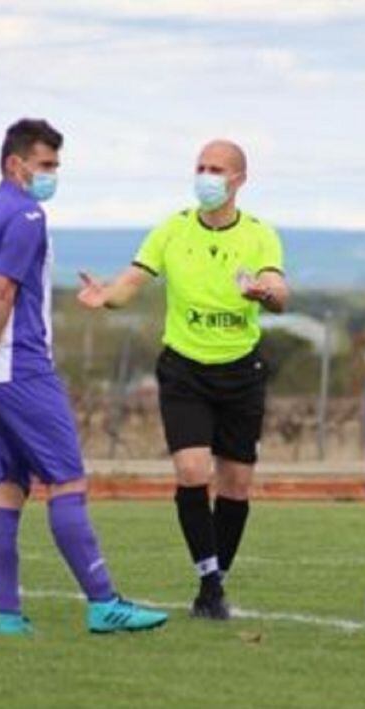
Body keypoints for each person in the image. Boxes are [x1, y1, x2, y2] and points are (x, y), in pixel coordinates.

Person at [0, 118, 168, 636]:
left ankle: (6, 617)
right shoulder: (26, 214)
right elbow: (0, 295)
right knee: (67, 480)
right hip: (20, 368)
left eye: (56, 166)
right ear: (14, 164)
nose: (52, 176)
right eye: (45, 165)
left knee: (7, 488)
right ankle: (103, 604)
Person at [77, 139, 288, 620]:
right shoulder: (172, 230)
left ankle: (216, 583)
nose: (206, 176)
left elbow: (279, 289)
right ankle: (209, 580)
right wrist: (105, 296)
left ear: (239, 180)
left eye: (217, 169)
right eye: (201, 167)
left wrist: (264, 292)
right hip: (184, 371)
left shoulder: (260, 235)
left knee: (235, 486)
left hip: (242, 372)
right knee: (193, 472)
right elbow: (132, 281)